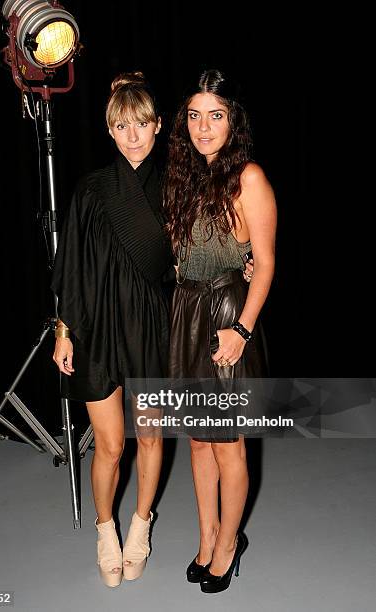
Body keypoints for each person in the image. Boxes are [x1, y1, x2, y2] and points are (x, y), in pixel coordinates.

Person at [50, 72, 175, 587]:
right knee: (108, 446)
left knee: (149, 437)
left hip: (152, 327)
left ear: (159, 126)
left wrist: (246, 265)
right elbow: (73, 267)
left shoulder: (174, 188)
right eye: (122, 126)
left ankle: (141, 526)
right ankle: (106, 531)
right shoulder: (91, 190)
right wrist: (64, 330)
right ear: (110, 129)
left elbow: (201, 254)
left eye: (141, 124)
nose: (132, 136)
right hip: (98, 328)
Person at [163, 68, 277, 594]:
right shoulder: (182, 178)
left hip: (226, 317)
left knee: (228, 444)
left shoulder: (247, 178)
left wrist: (243, 330)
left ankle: (230, 543)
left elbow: (267, 262)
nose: (203, 126)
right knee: (198, 444)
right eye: (194, 115)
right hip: (187, 314)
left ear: (234, 120)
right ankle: (208, 536)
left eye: (216, 115)